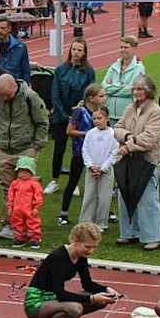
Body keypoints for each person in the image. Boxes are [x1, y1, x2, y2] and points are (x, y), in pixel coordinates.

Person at [24, 223, 120, 318]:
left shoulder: (81, 257)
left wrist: (107, 289)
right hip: (37, 302)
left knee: (102, 300)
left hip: (53, 300)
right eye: (87, 247)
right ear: (75, 241)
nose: (91, 251)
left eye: (94, 247)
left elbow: (87, 284)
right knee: (75, 309)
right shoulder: (58, 257)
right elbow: (61, 294)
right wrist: (92, 298)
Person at [0, 73, 49, 238]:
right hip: (3, 148)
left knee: (27, 188)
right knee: (8, 188)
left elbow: (42, 121)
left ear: (15, 87)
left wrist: (37, 145)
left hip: (26, 148)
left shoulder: (30, 97)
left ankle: (30, 225)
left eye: (7, 95)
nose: (4, 98)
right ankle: (9, 225)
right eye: (2, 95)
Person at [113, 74, 160, 250]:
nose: (136, 92)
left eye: (139, 89)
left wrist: (127, 146)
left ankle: (153, 236)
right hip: (128, 161)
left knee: (147, 199)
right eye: (134, 88)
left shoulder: (156, 111)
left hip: (146, 160)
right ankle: (129, 233)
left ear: (149, 90)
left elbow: (148, 139)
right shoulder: (129, 108)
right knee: (125, 195)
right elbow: (117, 129)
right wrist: (128, 136)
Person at [47, 39, 95, 195]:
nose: (76, 52)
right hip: (61, 117)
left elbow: (89, 93)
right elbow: (55, 94)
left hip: (80, 116)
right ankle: (55, 180)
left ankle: (74, 183)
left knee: (77, 152)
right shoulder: (60, 70)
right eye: (73, 49)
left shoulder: (89, 71)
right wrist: (64, 115)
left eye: (79, 50)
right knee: (58, 149)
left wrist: (79, 110)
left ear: (84, 53)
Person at [57, 85, 105, 226]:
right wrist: (88, 134)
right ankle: (63, 212)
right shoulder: (80, 112)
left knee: (99, 183)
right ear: (91, 98)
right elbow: (69, 131)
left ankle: (105, 212)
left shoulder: (101, 112)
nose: (104, 99)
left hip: (97, 153)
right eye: (101, 96)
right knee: (73, 181)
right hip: (80, 152)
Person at [79, 106, 118, 228]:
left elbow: (114, 153)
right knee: (89, 196)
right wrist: (90, 165)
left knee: (104, 198)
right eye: (94, 118)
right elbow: (85, 150)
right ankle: (85, 222)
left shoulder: (113, 134)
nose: (96, 121)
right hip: (91, 170)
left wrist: (103, 168)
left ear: (106, 118)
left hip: (106, 170)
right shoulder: (90, 133)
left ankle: (101, 223)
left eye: (99, 118)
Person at [102, 36, 145, 119]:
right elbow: (103, 88)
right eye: (121, 47)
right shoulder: (114, 66)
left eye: (126, 47)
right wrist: (121, 85)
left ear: (134, 48)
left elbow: (131, 90)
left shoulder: (138, 68)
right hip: (110, 113)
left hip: (127, 115)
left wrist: (111, 90)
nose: (123, 50)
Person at [8, 156, 45, 248]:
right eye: (21, 170)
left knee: (32, 223)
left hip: (30, 209)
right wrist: (10, 206)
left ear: (31, 172)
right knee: (17, 223)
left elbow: (38, 196)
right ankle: (20, 239)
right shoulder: (15, 183)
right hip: (17, 209)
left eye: (27, 171)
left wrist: (37, 207)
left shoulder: (34, 184)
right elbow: (10, 195)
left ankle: (34, 239)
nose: (24, 173)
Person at [0, 18, 30, 82]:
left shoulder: (20, 47)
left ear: (9, 29)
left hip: (15, 85)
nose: (0, 31)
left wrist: (26, 85)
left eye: (3, 28)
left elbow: (25, 70)